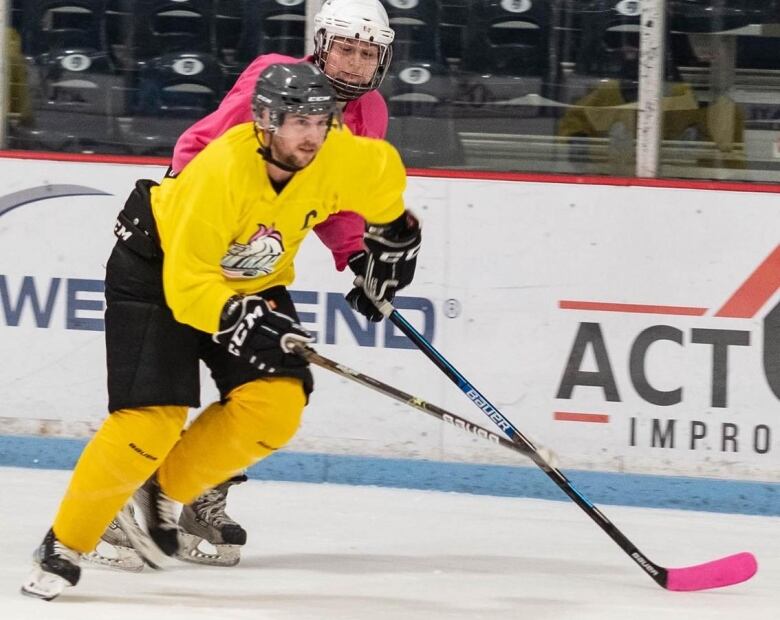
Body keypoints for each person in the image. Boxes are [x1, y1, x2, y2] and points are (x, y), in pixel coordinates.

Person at [21, 61, 421, 601]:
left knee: (277, 404)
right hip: (159, 271)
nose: (311, 135)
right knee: (151, 421)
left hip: (252, 280)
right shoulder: (220, 173)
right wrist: (240, 318)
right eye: (297, 122)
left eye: (321, 121)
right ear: (265, 121)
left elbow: (382, 177)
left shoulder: (342, 154)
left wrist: (395, 236)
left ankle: (160, 492)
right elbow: (189, 286)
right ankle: (64, 543)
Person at [86, 0, 397, 570]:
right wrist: (209, 232)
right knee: (157, 397)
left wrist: (358, 256)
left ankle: (199, 497)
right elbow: (198, 151)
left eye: (367, 53)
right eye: (345, 49)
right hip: (192, 251)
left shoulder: (369, 111)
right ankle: (113, 507)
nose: (354, 65)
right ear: (322, 44)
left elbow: (333, 197)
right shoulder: (275, 80)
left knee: (262, 389)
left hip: (255, 266)